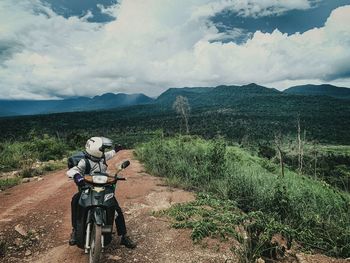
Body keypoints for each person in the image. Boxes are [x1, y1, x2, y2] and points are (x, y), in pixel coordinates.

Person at [66, 136, 136, 249]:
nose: (103, 151)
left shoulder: (102, 157)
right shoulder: (85, 161)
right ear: (95, 149)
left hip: (104, 188)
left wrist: (116, 150)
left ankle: (124, 236)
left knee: (116, 208)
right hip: (87, 188)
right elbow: (73, 170)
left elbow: (110, 154)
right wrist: (77, 176)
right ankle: (75, 230)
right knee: (75, 201)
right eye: (102, 149)